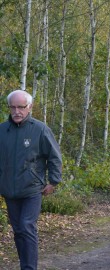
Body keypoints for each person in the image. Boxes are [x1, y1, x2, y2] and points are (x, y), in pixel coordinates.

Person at [0, 90, 62, 270]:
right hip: (9, 190)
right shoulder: (2, 130)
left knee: (27, 226)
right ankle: (24, 264)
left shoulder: (40, 129)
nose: (17, 111)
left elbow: (54, 156)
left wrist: (53, 181)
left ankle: (29, 268)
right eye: (13, 107)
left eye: (21, 107)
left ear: (30, 107)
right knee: (18, 230)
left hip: (32, 189)